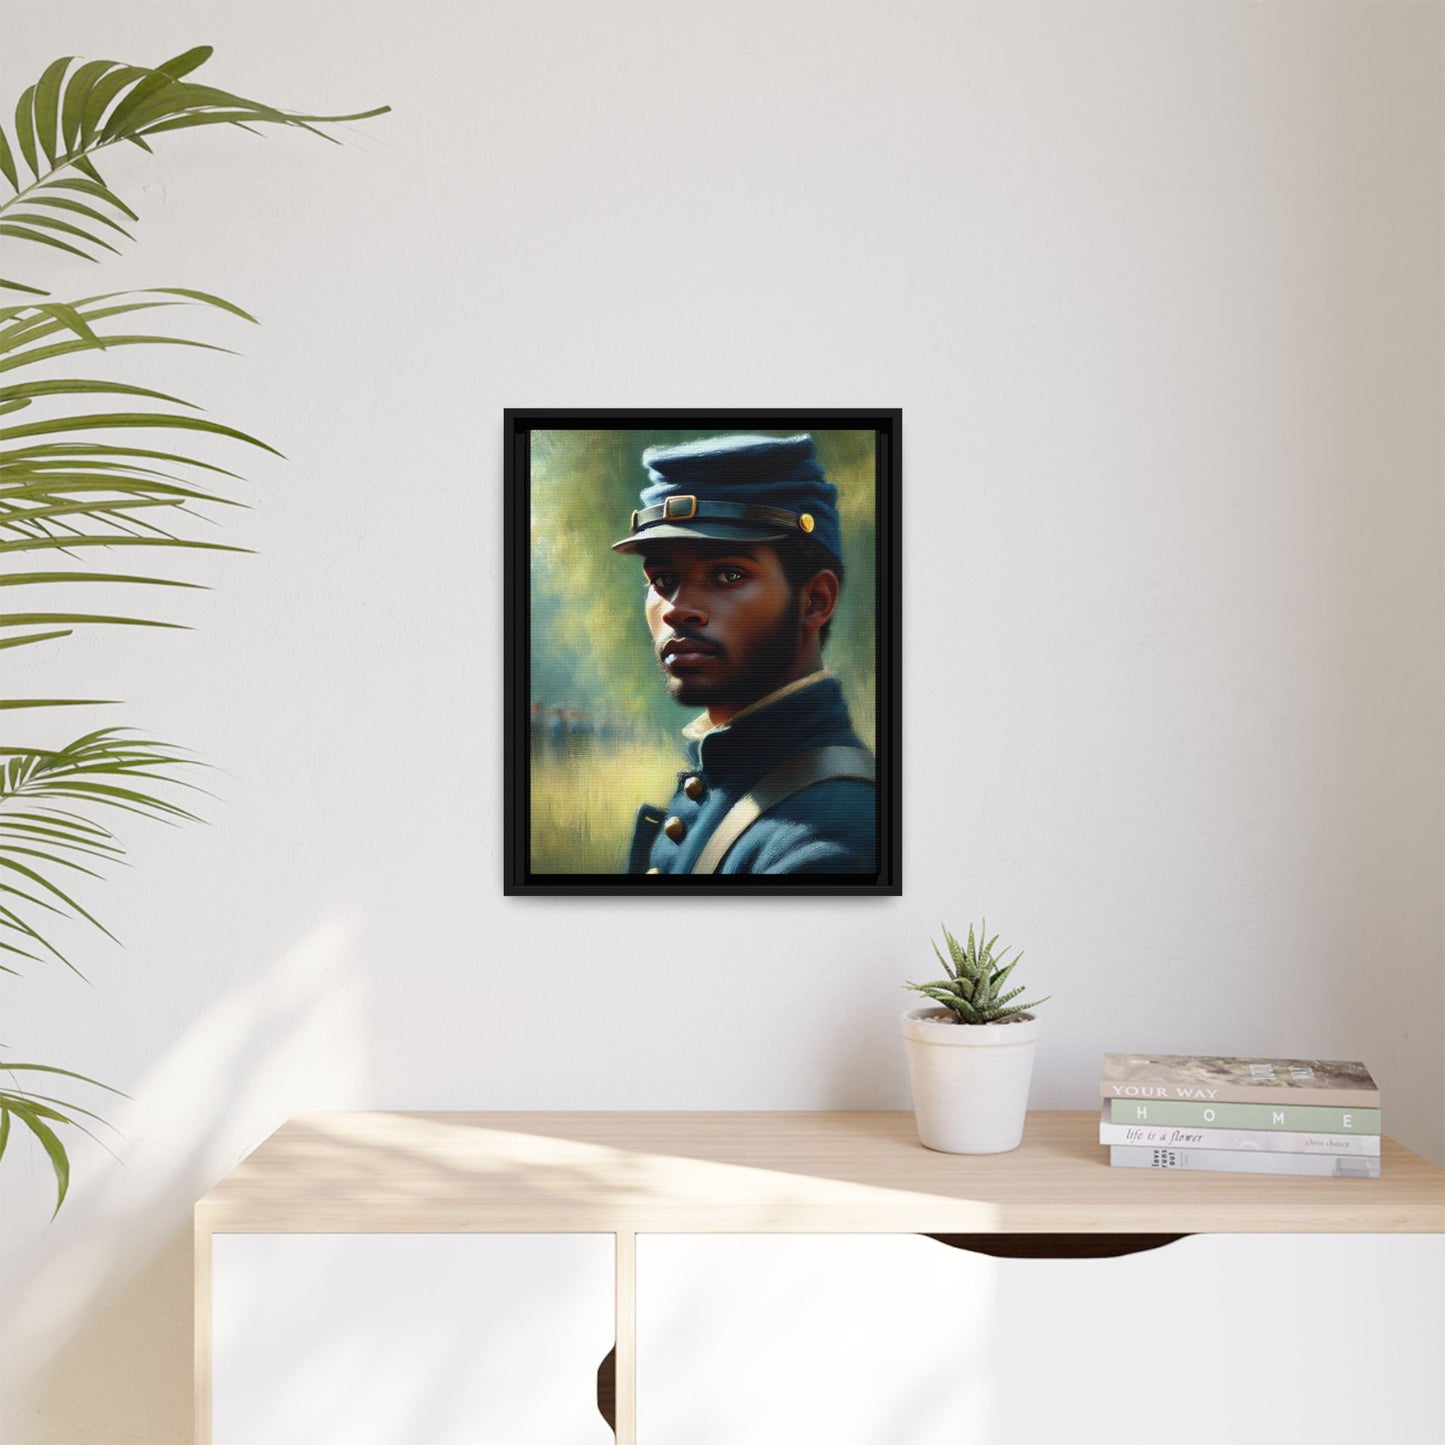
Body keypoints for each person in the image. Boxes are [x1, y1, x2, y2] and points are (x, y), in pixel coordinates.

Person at [611, 433, 877, 875]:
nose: (678, 609)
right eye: (662, 580)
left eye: (727, 575)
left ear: (815, 601)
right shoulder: (742, 780)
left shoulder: (833, 837)